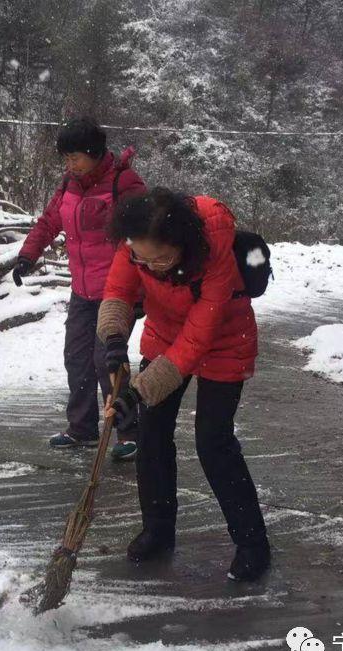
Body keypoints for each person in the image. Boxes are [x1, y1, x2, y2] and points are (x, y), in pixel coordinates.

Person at [97, 187, 271, 582]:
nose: (151, 266)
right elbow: (119, 291)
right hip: (164, 333)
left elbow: (197, 341)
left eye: (161, 259)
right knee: (152, 435)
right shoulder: (136, 242)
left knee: (213, 442)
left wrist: (137, 391)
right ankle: (158, 529)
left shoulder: (214, 253)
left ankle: (252, 543)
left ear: (182, 244)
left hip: (224, 340)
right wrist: (112, 341)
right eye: (142, 257)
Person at [13, 116, 146, 460]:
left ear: (95, 153)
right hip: (83, 290)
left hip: (116, 291)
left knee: (107, 361)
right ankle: (82, 427)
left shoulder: (123, 184)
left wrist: (141, 290)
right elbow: (49, 221)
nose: (70, 165)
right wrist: (27, 256)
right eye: (66, 159)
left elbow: (143, 236)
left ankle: (129, 432)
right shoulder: (69, 185)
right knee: (77, 359)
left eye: (75, 158)